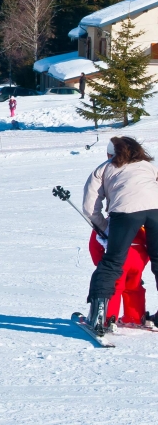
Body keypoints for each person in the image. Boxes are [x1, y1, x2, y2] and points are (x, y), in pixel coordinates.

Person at [82, 136, 158, 333]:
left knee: (112, 264)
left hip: (125, 212)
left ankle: (100, 318)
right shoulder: (148, 166)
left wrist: (106, 229)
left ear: (111, 154)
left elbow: (90, 208)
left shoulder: (104, 168)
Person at [89, 225, 148, 325]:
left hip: (119, 257)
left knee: (114, 286)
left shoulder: (108, 221)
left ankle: (109, 318)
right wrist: (143, 261)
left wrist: (101, 264)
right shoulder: (142, 222)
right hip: (139, 256)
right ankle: (135, 318)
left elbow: (94, 245)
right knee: (134, 285)